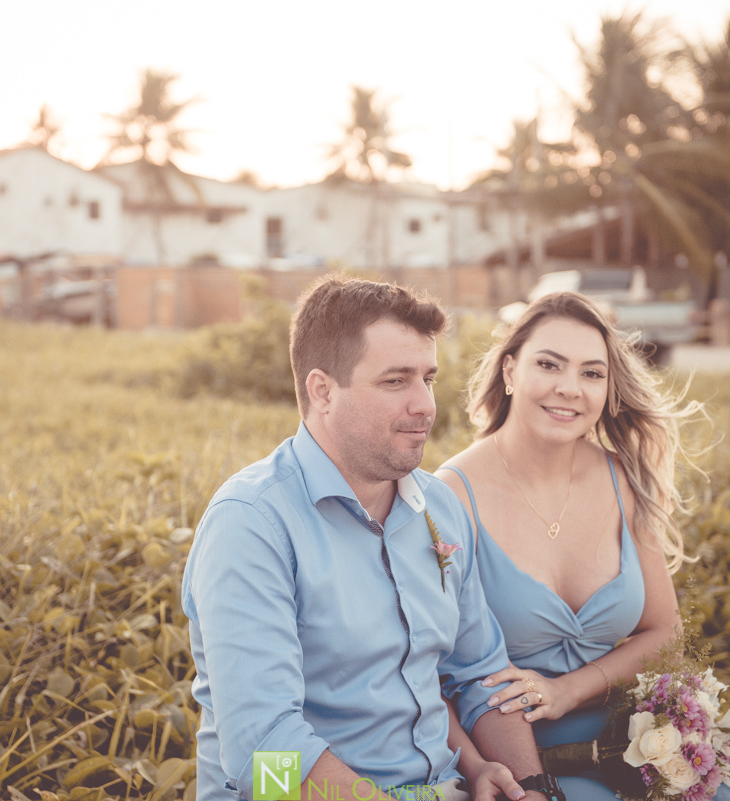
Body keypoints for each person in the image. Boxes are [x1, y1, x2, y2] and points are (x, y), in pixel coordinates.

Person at [182, 276, 561, 801]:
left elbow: (480, 675)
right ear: (322, 391)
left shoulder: (441, 508)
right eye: (395, 382)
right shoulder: (250, 524)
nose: (426, 404)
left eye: (428, 378)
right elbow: (263, 751)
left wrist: (530, 787)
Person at [436, 292, 730, 801]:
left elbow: (664, 630)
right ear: (508, 372)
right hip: (510, 747)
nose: (570, 389)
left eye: (592, 373)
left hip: (623, 734)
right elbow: (427, 670)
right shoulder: (451, 495)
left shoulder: (624, 480)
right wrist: (481, 767)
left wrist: (568, 690)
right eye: (549, 364)